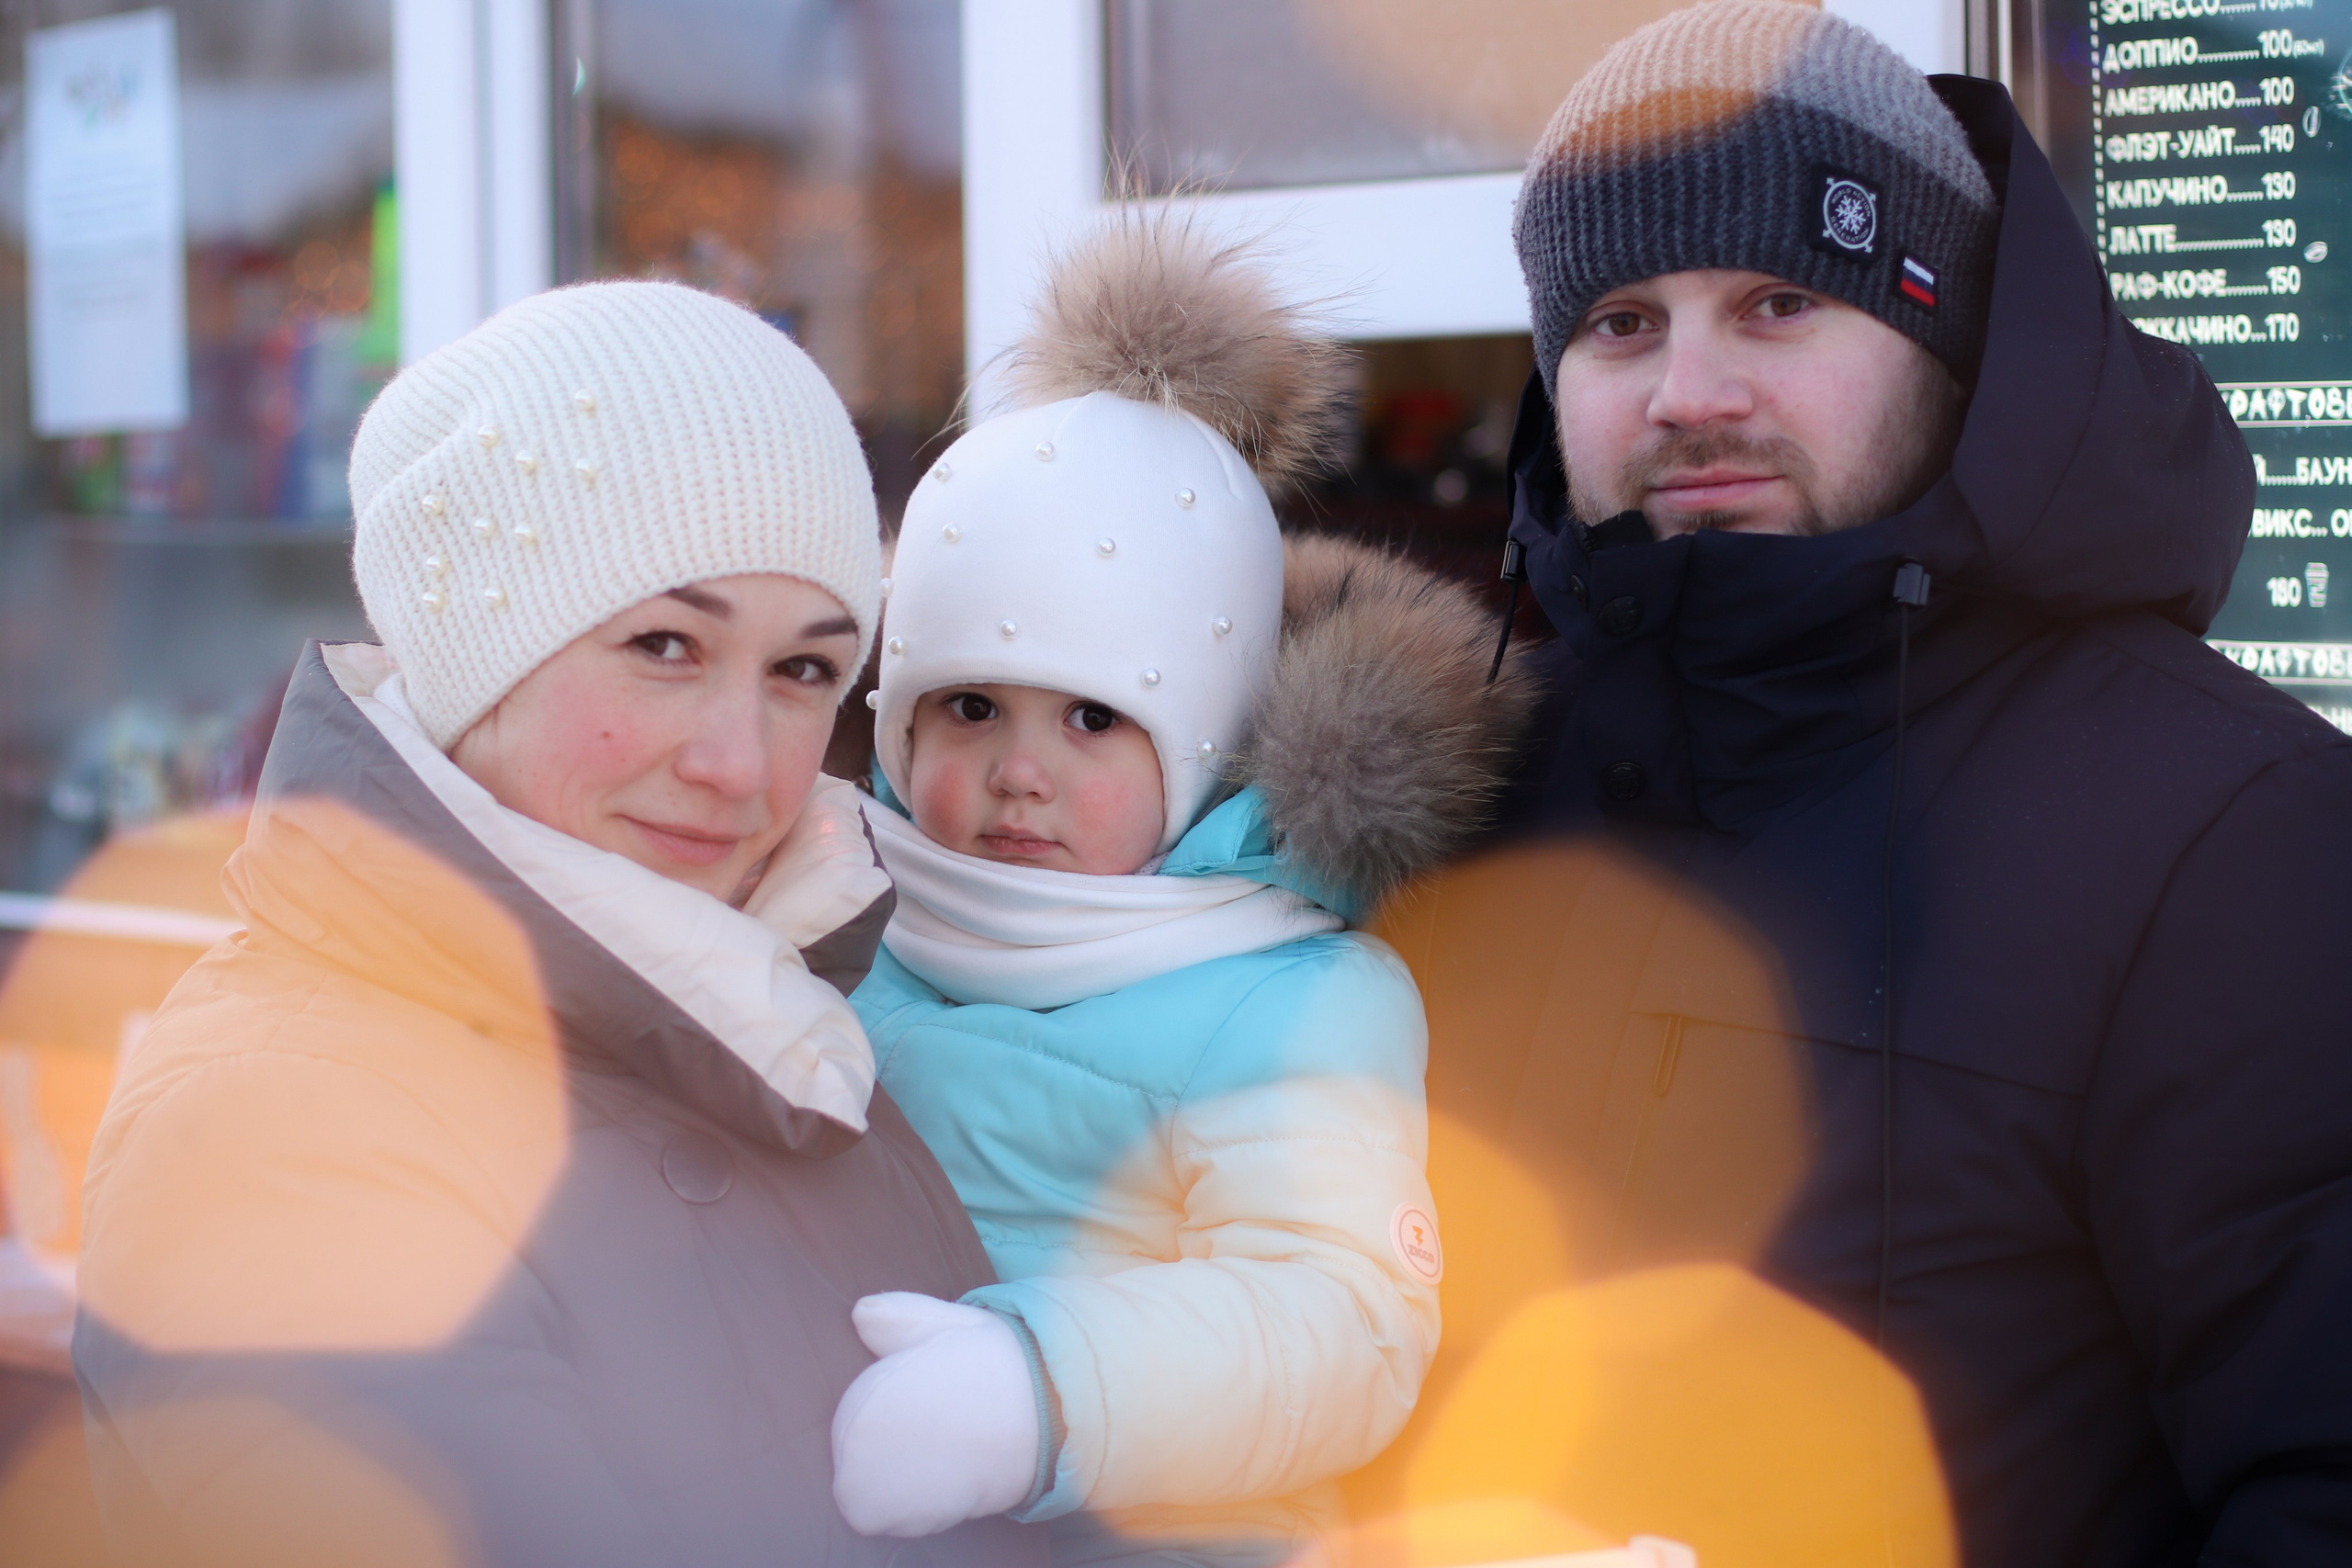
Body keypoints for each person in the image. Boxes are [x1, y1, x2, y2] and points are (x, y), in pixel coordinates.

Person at [1347, 3, 2352, 1564]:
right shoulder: (1455, 786)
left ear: (1941, 351)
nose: (1689, 391)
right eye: (1620, 321)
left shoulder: (2235, 833)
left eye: (1774, 304)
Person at [71, 281, 1042, 1568]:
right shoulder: (265, 1131)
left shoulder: (786, 1020)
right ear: (478, 649)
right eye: (663, 645)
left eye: (804, 669)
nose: (742, 764)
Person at [820, 220, 1534, 1562]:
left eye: (1093, 722)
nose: (1019, 773)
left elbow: (1340, 1320)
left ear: (1201, 732)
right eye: (969, 707)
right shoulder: (844, 916)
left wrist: (1042, 1390)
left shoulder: (1288, 994)